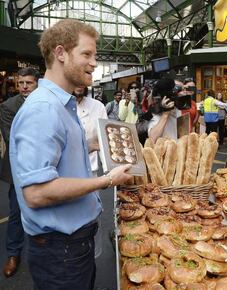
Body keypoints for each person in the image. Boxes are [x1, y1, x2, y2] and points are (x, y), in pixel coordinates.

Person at [9, 19, 132, 289]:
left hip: (71, 245)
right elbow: (37, 193)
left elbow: (59, 152)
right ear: (61, 53)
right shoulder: (44, 109)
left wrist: (90, 145)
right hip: (60, 251)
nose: (94, 63)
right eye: (86, 54)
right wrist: (107, 180)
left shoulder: (62, 105)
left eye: (94, 55)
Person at [0, 67, 40, 278]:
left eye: (29, 83)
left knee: (44, 210)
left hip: (44, 166)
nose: (24, 87)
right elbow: (12, 141)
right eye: (20, 83)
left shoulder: (46, 103)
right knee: (16, 212)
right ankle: (13, 254)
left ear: (37, 83)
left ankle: (42, 254)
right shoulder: (8, 106)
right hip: (18, 168)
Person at [75, 86, 108, 259]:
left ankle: (92, 262)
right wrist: (89, 145)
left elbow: (105, 141)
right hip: (65, 175)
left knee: (93, 218)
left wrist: (110, 170)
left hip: (91, 173)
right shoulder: (56, 106)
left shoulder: (98, 107)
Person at [147, 78, 182, 142]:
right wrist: (165, 114)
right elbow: (152, 139)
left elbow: (182, 134)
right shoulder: (152, 112)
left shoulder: (177, 109)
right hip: (162, 150)